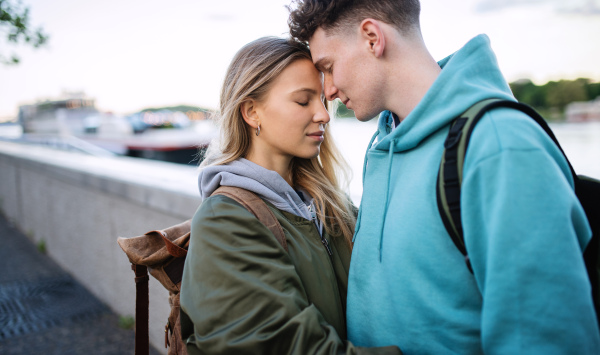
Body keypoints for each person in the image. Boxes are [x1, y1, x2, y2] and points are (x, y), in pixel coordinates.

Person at [288, 0, 600, 354]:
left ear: (372, 38)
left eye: (328, 67)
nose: (327, 91)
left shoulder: (499, 145)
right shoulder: (385, 142)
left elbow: (547, 340)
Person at [179, 37, 400, 354]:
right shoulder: (223, 221)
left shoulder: (326, 202)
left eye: (323, 101)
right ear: (252, 112)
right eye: (303, 101)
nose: (324, 115)